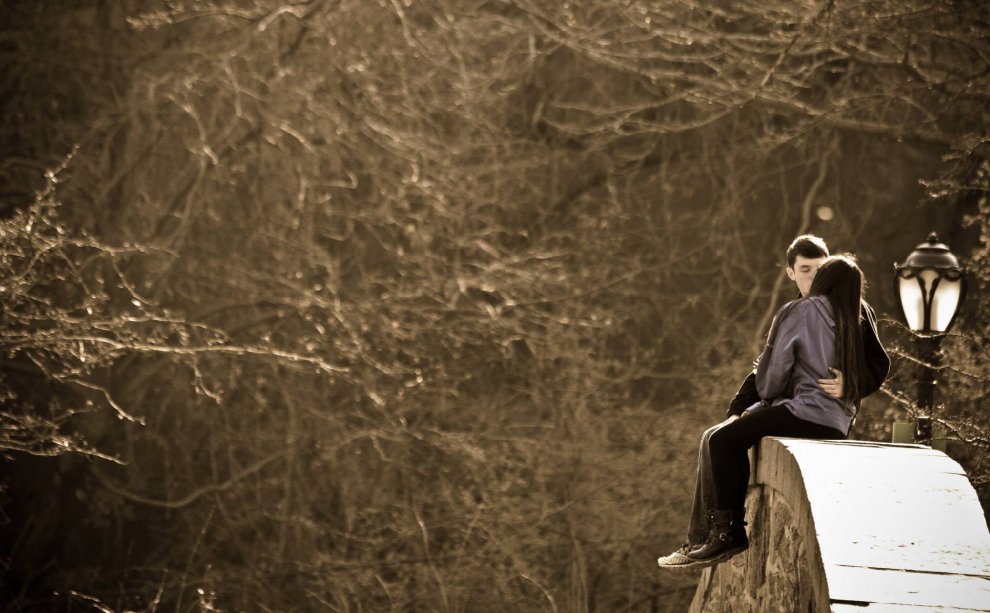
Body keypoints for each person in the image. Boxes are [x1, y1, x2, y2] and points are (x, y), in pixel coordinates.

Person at [657, 239, 889, 571]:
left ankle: (726, 534)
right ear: (791, 272)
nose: (812, 276)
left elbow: (770, 377)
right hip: (836, 420)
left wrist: (851, 384)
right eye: (805, 269)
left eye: (818, 269)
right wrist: (739, 409)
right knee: (715, 435)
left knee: (723, 441)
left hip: (802, 410)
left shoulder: (805, 311)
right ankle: (700, 539)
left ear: (826, 274)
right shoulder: (851, 310)